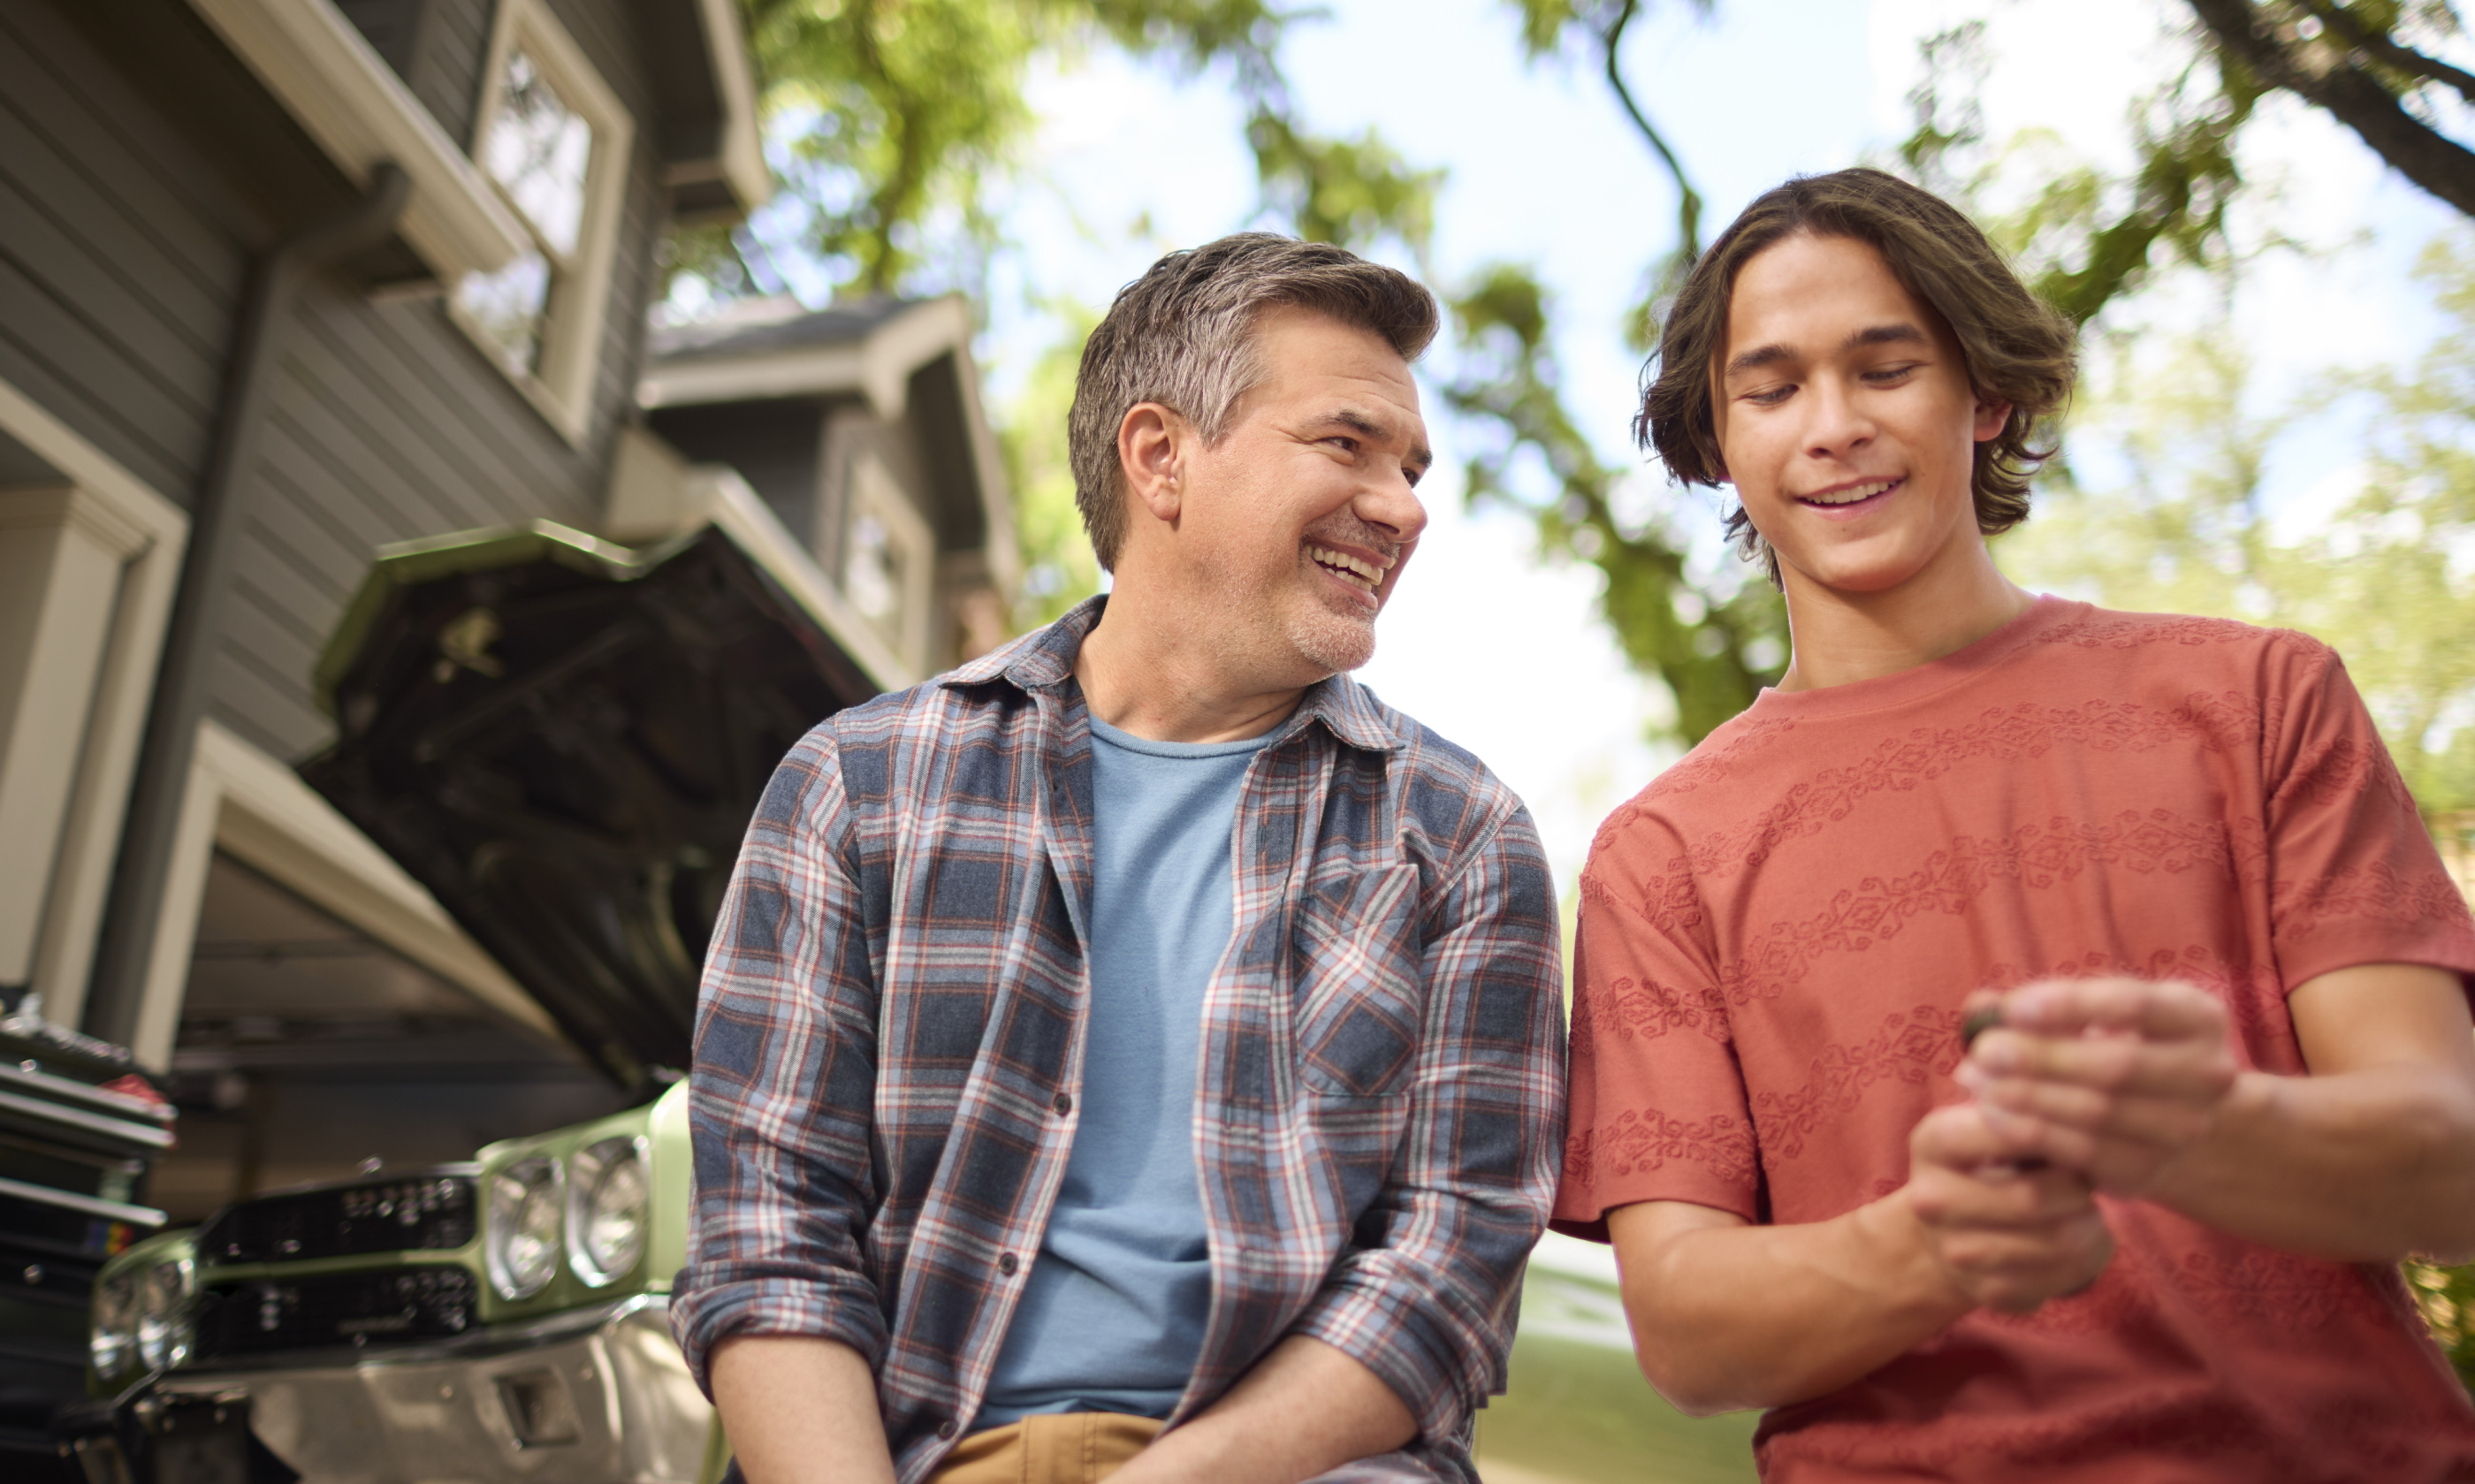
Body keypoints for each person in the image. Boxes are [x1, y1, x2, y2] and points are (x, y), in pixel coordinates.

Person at [1553, 167, 2475, 1479]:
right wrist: (1938, 1240)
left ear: (1985, 394)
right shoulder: (1665, 852)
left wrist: (2195, 1130)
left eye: (1886, 370)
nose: (1832, 427)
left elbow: (2450, 1167)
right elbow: (1693, 1335)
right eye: (1772, 389)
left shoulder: (2261, 698)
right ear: (1717, 445)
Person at [672, 234, 1566, 1484]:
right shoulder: (858, 788)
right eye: (1346, 444)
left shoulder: (1460, 839)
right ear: (1161, 458)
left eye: (1412, 468)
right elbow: (769, 1237)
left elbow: (1446, 1274)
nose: (1408, 505)